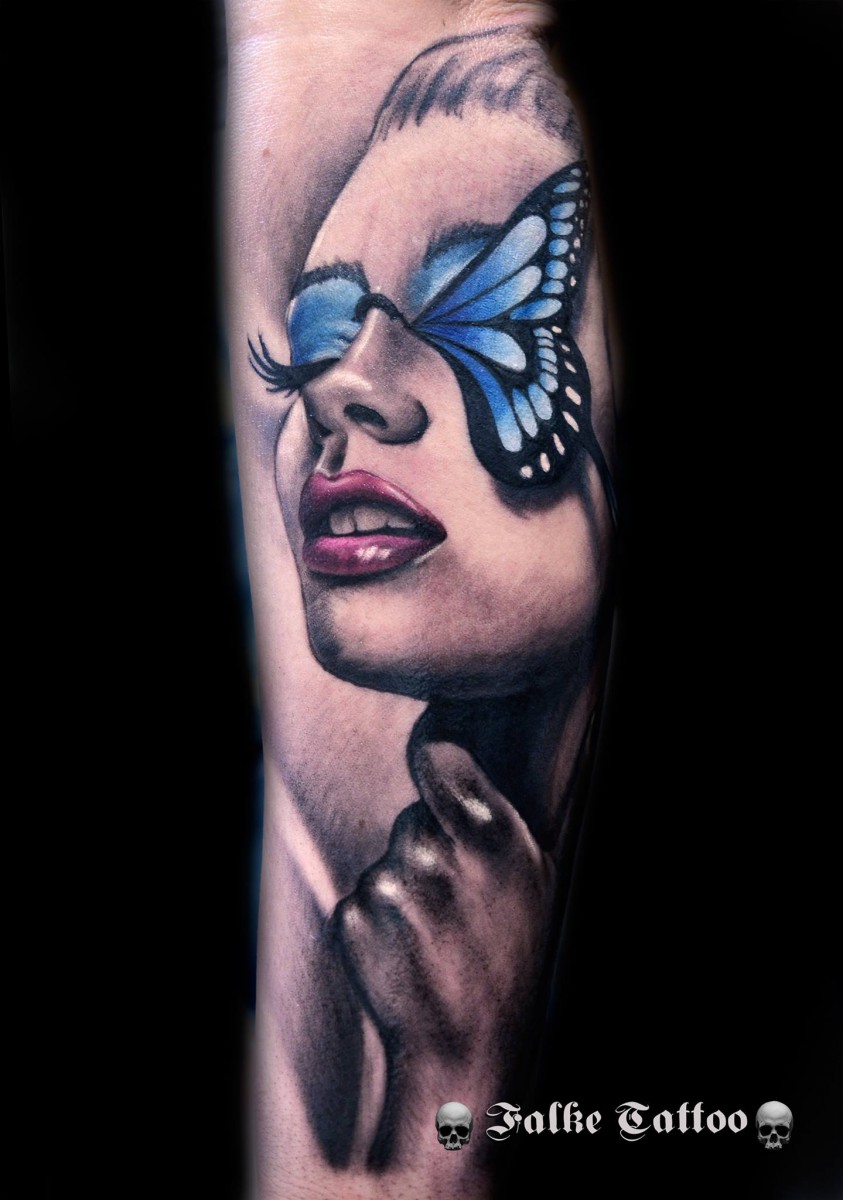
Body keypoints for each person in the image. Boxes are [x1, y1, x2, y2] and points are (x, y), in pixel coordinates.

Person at [226, 10, 615, 1195]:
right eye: (322, 325)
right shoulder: (339, 929)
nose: (343, 389)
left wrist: (455, 1080)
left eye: (477, 304)